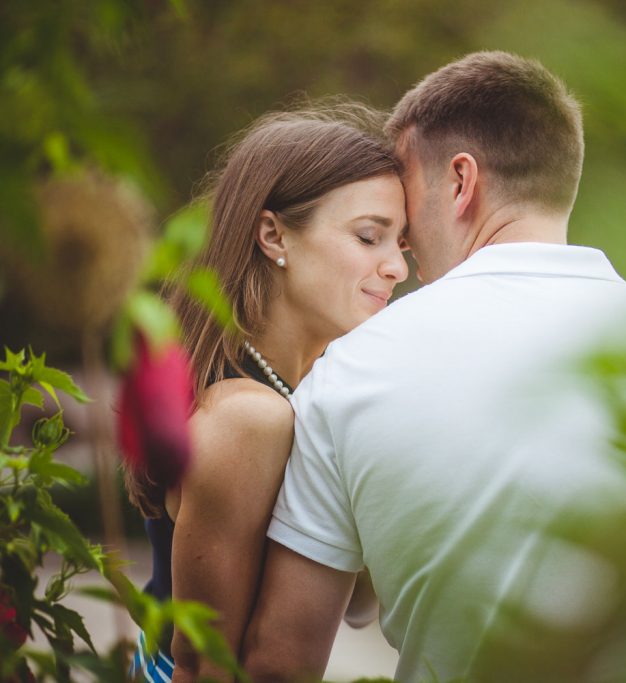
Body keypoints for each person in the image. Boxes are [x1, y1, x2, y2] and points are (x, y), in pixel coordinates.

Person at [242, 52, 626, 682]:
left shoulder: (350, 374)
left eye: (408, 197)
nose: (403, 245)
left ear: (461, 182)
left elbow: (278, 664)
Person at [123, 104, 409, 680]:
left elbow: (356, 607)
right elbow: (204, 665)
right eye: (369, 237)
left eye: (403, 243)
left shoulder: (304, 394)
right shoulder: (249, 416)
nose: (398, 268)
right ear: (273, 234)